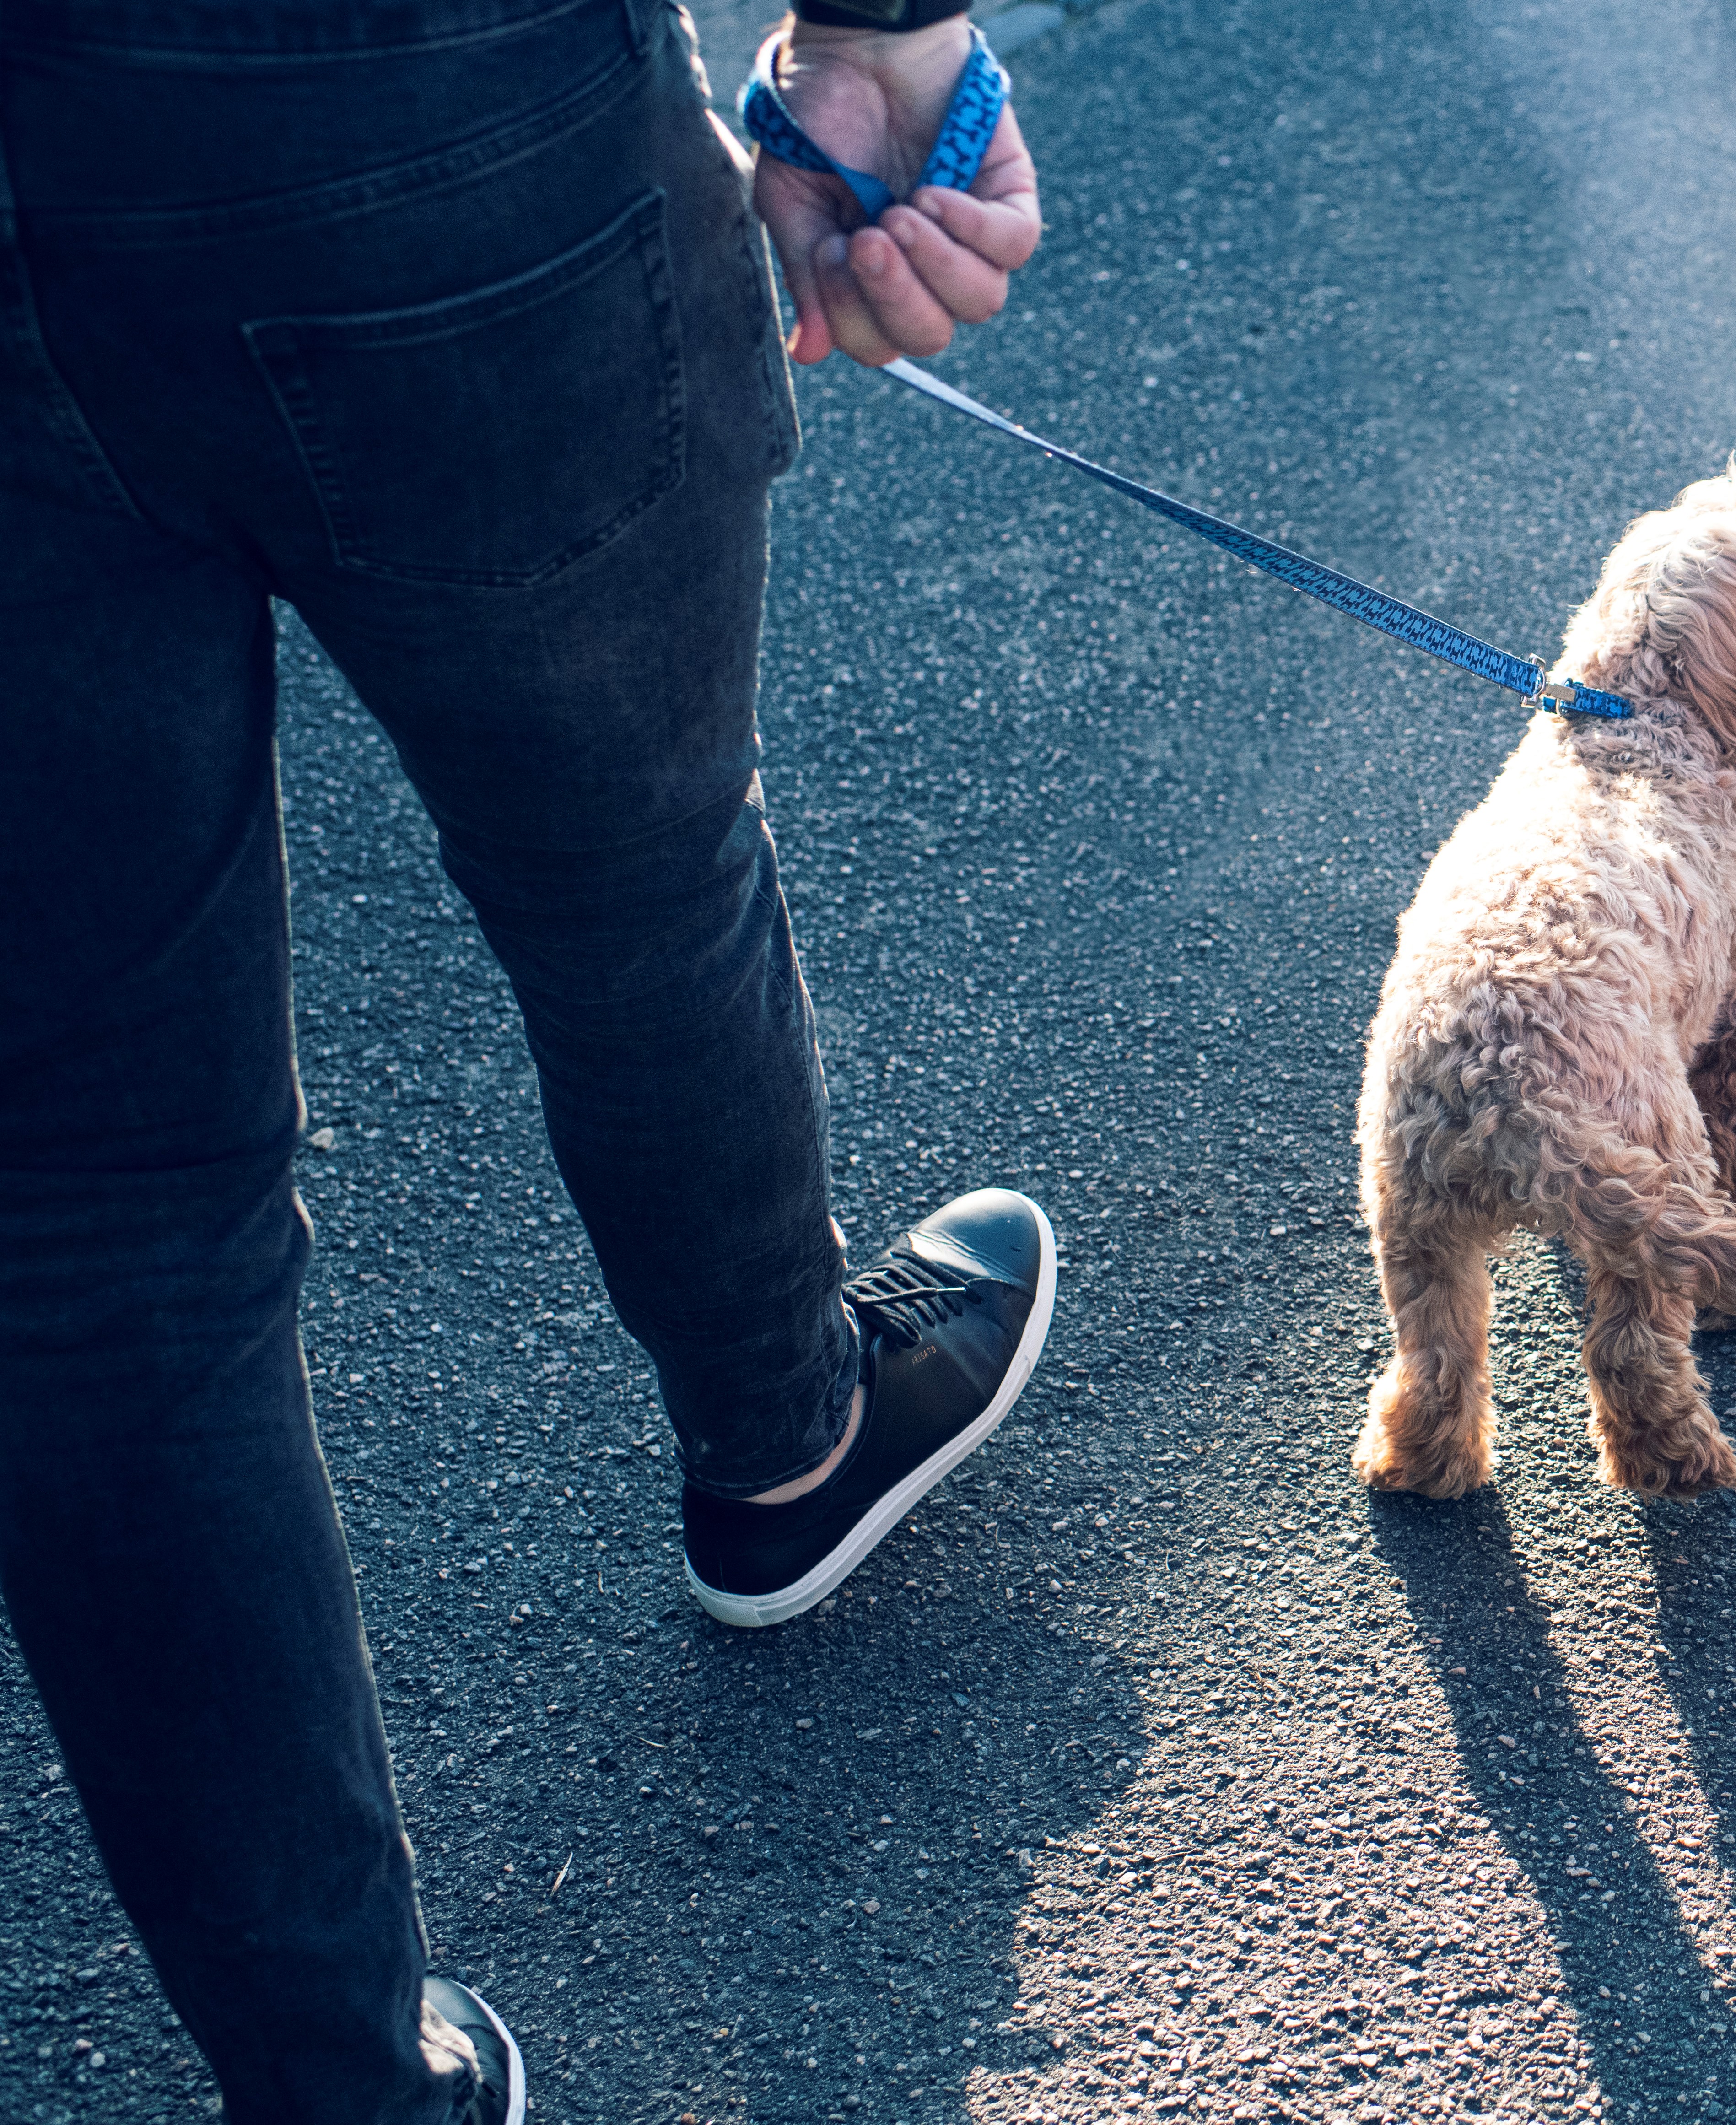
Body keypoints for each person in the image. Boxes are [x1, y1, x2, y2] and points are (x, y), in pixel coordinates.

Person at [0, 0, 1058, 2114]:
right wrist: (875, 43)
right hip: (407, 113)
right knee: (631, 859)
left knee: (92, 1196)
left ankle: (341, 2082)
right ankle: (785, 1441)